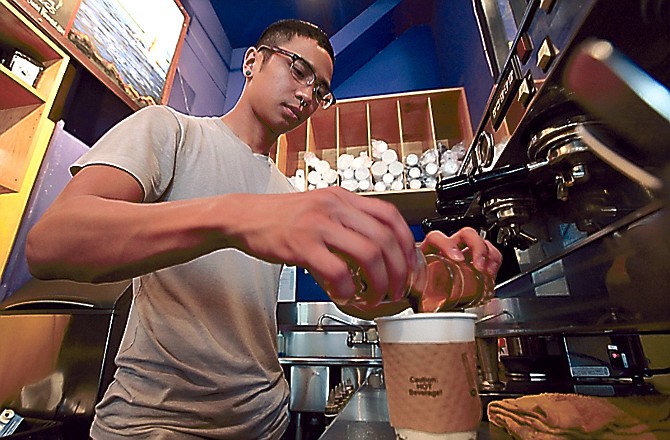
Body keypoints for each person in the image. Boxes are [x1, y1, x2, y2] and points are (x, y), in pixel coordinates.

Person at [25, 19, 502, 439]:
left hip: (264, 422)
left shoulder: (287, 193)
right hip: (156, 423)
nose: (307, 95)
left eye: (320, 90)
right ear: (251, 62)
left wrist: (425, 271)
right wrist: (240, 217)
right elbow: (53, 243)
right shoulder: (169, 131)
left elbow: (355, 294)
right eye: (298, 69)